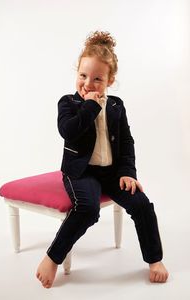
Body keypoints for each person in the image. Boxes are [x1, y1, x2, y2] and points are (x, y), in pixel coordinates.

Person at [36, 31, 169, 288]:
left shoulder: (117, 106)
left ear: (110, 80)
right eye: (83, 75)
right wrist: (90, 105)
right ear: (77, 73)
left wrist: (129, 172)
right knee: (87, 208)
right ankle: (52, 257)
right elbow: (69, 131)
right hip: (80, 172)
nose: (88, 83)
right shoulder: (68, 103)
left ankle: (154, 259)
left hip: (112, 172)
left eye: (98, 78)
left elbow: (127, 142)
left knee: (142, 205)